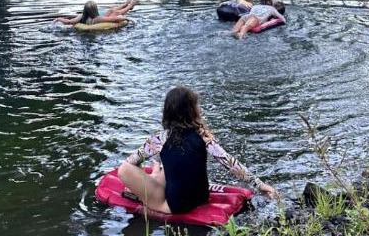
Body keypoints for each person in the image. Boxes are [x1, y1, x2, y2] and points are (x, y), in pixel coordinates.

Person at [118, 86, 280, 214]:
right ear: (191, 111)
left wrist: (139, 184)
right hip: (201, 197)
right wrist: (259, 184)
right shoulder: (202, 136)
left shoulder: (160, 138)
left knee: (124, 169)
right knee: (166, 168)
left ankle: (154, 180)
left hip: (174, 207)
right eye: (197, 105)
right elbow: (230, 163)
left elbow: (132, 161)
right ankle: (156, 173)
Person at [54, 0, 138, 26]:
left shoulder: (80, 17)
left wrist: (58, 19)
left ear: (84, 10)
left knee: (110, 10)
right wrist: (126, 18)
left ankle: (125, 4)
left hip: (90, 22)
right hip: (98, 24)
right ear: (95, 9)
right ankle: (130, 6)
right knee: (116, 13)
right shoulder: (98, 18)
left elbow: (68, 22)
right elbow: (115, 19)